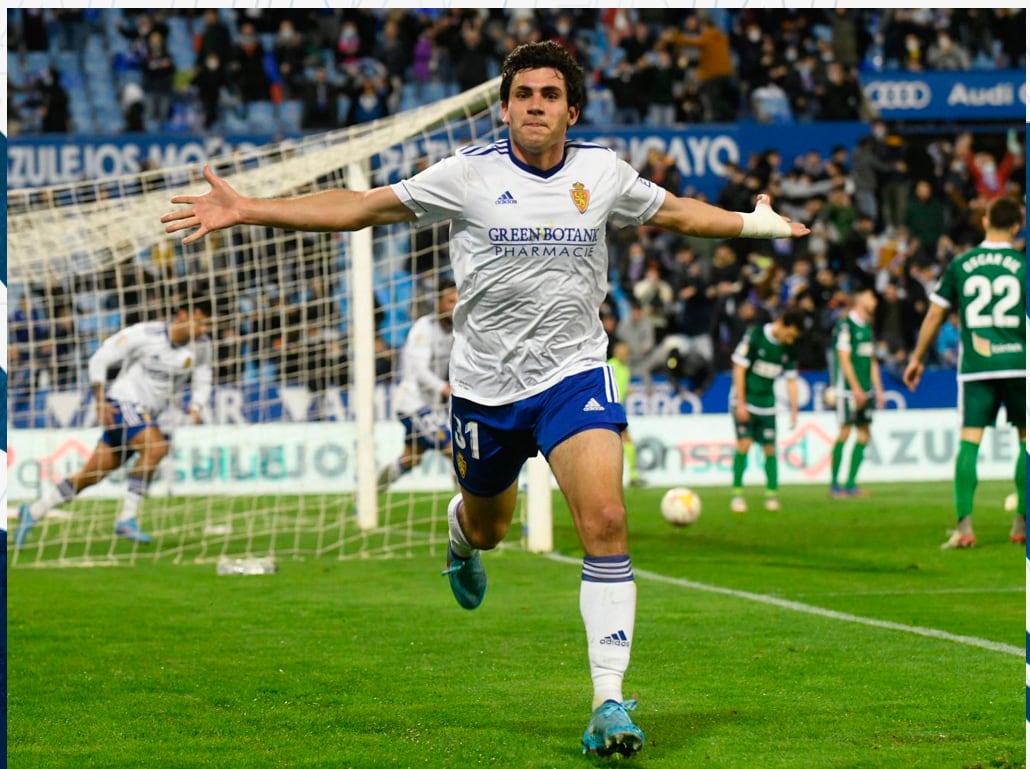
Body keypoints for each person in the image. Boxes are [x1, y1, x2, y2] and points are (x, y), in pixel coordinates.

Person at [161, 41, 809, 759]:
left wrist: (756, 223)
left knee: (606, 517)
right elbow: (361, 207)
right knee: (491, 527)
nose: (536, 104)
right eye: (523, 93)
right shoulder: (468, 173)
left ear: (572, 108)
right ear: (505, 107)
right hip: (485, 390)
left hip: (573, 375)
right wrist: (247, 208)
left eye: (549, 94)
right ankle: (461, 531)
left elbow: (681, 213)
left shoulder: (601, 171)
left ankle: (608, 699)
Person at [15, 297, 213, 547]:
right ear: (183, 315)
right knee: (157, 448)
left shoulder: (202, 346)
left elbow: (204, 377)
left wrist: (196, 406)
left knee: (91, 475)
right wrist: (100, 399)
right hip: (122, 403)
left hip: (146, 414)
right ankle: (127, 518)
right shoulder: (145, 334)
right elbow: (100, 358)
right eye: (201, 323)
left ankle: (32, 512)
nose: (204, 330)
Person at [903, 196, 1026, 549]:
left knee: (970, 441)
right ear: (1017, 226)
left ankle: (965, 527)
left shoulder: (962, 264)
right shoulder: (1022, 264)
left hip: (977, 368)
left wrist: (917, 358)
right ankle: (1021, 525)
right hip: (1020, 365)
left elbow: (935, 315)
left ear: (985, 221)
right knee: (1027, 441)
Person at [376, 280, 458, 492]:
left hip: (430, 406)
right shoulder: (424, 328)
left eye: (458, 301)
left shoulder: (457, 331)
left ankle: (368, 493)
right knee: (455, 451)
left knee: (411, 458)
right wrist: (445, 388)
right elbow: (419, 371)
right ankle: (469, 512)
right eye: (450, 301)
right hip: (411, 403)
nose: (454, 306)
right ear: (438, 303)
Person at [729, 306, 804, 514]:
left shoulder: (789, 348)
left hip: (767, 403)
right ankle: (737, 494)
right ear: (782, 324)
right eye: (790, 334)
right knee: (744, 444)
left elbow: (791, 380)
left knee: (770, 448)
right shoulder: (755, 336)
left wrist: (794, 408)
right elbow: (739, 368)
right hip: (746, 400)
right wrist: (741, 403)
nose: (790, 340)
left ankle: (771, 494)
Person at [828, 287, 885, 498]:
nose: (875, 302)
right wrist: (856, 388)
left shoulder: (867, 327)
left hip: (865, 391)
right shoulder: (846, 326)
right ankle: (834, 485)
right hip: (847, 392)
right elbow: (843, 359)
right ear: (860, 300)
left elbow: (871, 361)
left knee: (863, 434)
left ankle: (850, 484)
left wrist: (878, 390)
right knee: (844, 432)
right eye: (871, 297)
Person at [606, 341, 644, 488]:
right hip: (608, 408)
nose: (623, 354)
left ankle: (632, 475)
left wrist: (626, 390)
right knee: (624, 440)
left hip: (617, 408)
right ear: (616, 352)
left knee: (622, 440)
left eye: (625, 352)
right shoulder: (609, 365)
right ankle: (632, 475)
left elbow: (619, 385)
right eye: (621, 351)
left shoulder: (626, 370)